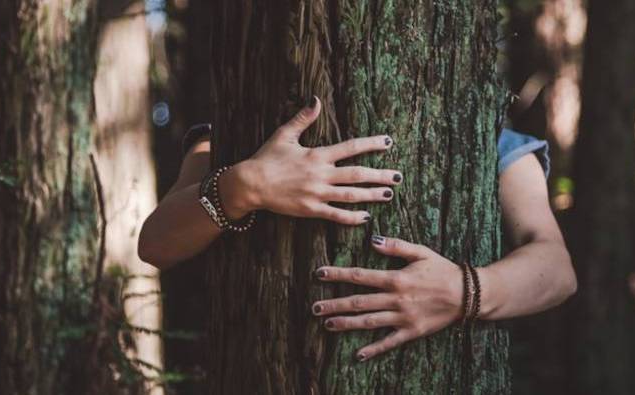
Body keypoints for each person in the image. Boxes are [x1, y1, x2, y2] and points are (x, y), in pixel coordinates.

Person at [138, 97, 576, 361]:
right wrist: (247, 184)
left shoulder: (491, 140)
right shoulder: (234, 130)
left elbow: (556, 268)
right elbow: (156, 243)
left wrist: (464, 291)